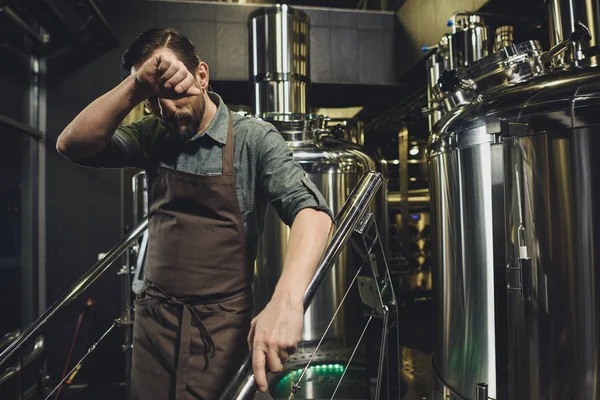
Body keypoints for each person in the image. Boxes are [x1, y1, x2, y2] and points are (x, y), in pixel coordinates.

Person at [56, 28, 334, 399]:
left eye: (173, 93)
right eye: (154, 101)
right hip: (154, 327)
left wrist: (286, 299)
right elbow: (72, 145)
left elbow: (313, 212)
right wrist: (137, 85)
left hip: (221, 332)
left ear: (201, 75)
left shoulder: (253, 138)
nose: (167, 110)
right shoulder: (152, 134)